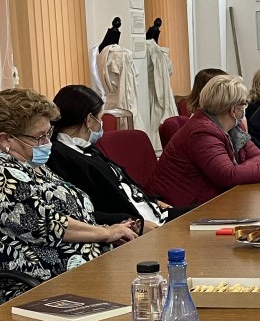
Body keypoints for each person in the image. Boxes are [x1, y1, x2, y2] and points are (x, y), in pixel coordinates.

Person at [0, 89, 137, 312]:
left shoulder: (30, 166)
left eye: (48, 132)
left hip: (69, 279)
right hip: (24, 290)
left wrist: (109, 231)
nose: (47, 142)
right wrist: (106, 234)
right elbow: (44, 224)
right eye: (39, 137)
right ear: (6, 139)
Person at [151, 75, 260, 208]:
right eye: (244, 105)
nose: (244, 109)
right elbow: (228, 176)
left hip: (209, 199)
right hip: (181, 208)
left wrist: (240, 170)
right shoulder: (202, 132)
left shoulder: (234, 128)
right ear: (233, 110)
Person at [48, 84, 175, 227]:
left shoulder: (86, 148)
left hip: (152, 211)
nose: (101, 124)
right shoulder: (59, 156)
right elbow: (85, 209)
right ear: (89, 120)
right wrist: (134, 224)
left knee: (196, 215)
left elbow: (122, 182)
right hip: (134, 224)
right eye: (100, 118)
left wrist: (153, 200)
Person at [96, 17, 138, 118]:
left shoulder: (100, 53)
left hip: (108, 106)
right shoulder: (123, 55)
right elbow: (126, 89)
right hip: (121, 106)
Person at [145, 18, 178, 128]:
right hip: (155, 96)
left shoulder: (157, 51)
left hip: (163, 94)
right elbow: (159, 78)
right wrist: (164, 101)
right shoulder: (151, 50)